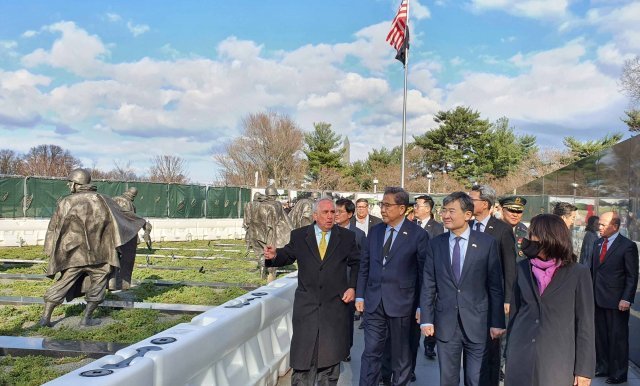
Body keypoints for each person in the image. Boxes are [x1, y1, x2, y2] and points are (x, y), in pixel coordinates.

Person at [264, 198, 360, 386]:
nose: (330, 216)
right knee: (303, 357)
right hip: (306, 306)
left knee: (330, 361)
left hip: (334, 306)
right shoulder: (300, 236)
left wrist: (353, 286)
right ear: (315, 215)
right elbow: (288, 254)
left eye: (333, 212)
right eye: (325, 212)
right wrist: (275, 256)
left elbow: (357, 263)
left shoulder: (346, 238)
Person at [39, 169, 146, 327]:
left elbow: (53, 228)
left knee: (63, 283)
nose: (69, 186)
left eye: (71, 183)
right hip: (100, 254)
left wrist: (50, 251)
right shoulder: (103, 199)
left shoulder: (65, 202)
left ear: (77, 184)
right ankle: (86, 319)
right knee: (98, 285)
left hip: (74, 254)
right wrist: (142, 222)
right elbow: (123, 216)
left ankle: (45, 318)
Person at [420, 191, 505, 386]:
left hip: (478, 323)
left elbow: (495, 286)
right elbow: (428, 284)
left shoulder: (486, 243)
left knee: (475, 379)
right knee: (448, 379)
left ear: (468, 215)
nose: (446, 215)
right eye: (444, 210)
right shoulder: (436, 244)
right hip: (446, 323)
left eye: (451, 211)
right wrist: (426, 318)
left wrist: (497, 321)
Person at [504, 214, 595, 386]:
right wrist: (509, 352)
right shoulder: (522, 268)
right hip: (520, 357)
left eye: (534, 234)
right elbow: (515, 314)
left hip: (557, 362)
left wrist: (584, 370)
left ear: (550, 237)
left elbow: (585, 324)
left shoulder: (578, 273)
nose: (530, 239)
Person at [356, 187, 429, 386]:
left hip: (403, 305)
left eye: (387, 205)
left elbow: (424, 274)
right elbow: (365, 265)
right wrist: (360, 295)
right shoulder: (375, 231)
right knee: (371, 352)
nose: (383, 209)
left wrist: (423, 306)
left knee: (401, 358)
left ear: (402, 208)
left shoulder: (418, 235)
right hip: (374, 302)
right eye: (381, 205)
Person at [469, 184, 515, 385]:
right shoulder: (466, 226)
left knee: (491, 348)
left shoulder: (502, 230)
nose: (468, 202)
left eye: (472, 199)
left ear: (485, 204)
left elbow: (510, 266)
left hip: (492, 298)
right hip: (469, 298)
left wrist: (507, 299)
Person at [591, 212, 639, 384]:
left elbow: (632, 276)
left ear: (615, 226)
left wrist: (627, 298)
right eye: (599, 224)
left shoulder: (627, 246)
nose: (599, 226)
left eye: (603, 224)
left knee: (617, 338)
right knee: (600, 336)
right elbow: (593, 271)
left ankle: (619, 373)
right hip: (597, 299)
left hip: (617, 301)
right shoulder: (597, 243)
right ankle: (603, 367)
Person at [413, 194, 444, 360]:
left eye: (418, 205)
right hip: (412, 275)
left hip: (429, 273)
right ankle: (413, 343)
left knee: (429, 308)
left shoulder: (437, 228)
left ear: (428, 208)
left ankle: (430, 344)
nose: (415, 208)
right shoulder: (410, 225)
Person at [334, 198, 367, 361]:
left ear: (350, 214)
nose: (336, 215)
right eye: (335, 211)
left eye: (340, 212)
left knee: (347, 320)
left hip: (349, 284)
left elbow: (362, 262)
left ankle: (346, 349)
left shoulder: (359, 235)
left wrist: (358, 288)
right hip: (331, 283)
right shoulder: (329, 231)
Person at [110, 186, 152, 290]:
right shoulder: (129, 204)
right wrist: (143, 224)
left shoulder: (113, 199)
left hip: (111, 234)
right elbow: (129, 218)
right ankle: (123, 284)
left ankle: (111, 283)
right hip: (125, 235)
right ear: (134, 196)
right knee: (126, 261)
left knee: (112, 260)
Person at [499, 195, 528, 262]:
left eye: (519, 212)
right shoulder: (493, 228)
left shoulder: (524, 230)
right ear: (503, 210)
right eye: (511, 210)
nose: (515, 215)